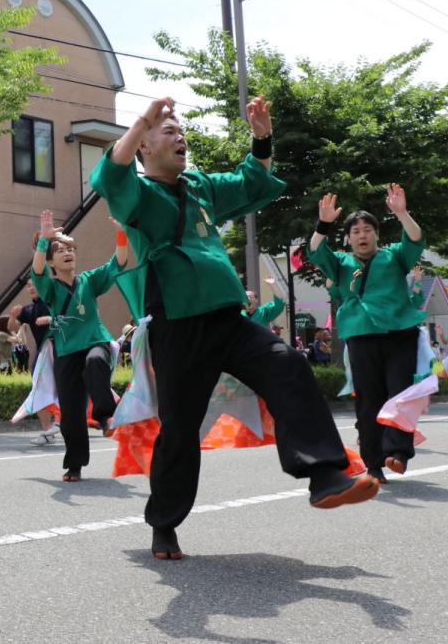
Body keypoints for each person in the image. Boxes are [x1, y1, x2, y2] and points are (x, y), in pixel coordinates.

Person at [91, 94, 375, 562]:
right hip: (178, 327)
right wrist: (144, 119)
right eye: (169, 131)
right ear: (143, 146)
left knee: (288, 364)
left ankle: (325, 475)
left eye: (181, 130)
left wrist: (262, 136)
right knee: (179, 431)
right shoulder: (138, 195)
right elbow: (109, 174)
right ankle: (164, 524)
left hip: (229, 319)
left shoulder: (200, 186)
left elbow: (250, 179)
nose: (180, 136)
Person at [309, 186, 426, 480]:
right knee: (369, 400)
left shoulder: (394, 256)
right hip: (361, 336)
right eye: (356, 231)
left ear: (376, 234)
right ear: (349, 238)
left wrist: (401, 213)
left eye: (367, 230)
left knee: (401, 395)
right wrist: (323, 224)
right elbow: (314, 250)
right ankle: (373, 464)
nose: (362, 235)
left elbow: (415, 240)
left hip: (400, 333)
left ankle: (397, 453)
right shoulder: (340, 262)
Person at [31, 211, 129, 481]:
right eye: (59, 251)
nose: (66, 253)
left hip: (94, 342)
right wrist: (44, 240)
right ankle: (74, 465)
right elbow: (36, 270)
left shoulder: (90, 280)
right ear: (52, 261)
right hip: (65, 352)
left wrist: (122, 233)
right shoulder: (49, 287)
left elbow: (118, 263)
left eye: (69, 249)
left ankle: (105, 416)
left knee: (96, 362)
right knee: (72, 416)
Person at [17, 282, 57, 441]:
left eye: (35, 284)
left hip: (62, 352)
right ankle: (47, 431)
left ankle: (64, 424)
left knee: (66, 389)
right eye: (28, 286)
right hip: (42, 355)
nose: (32, 287)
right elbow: (11, 326)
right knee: (38, 390)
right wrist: (14, 317)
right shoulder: (28, 310)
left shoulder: (55, 302)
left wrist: (51, 319)